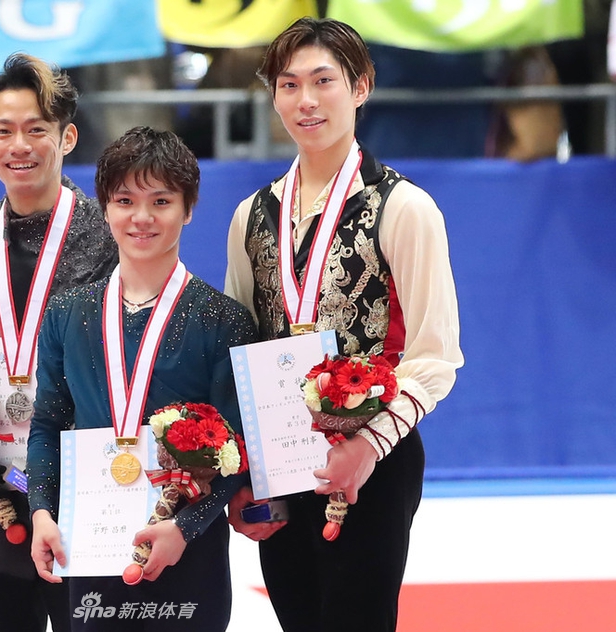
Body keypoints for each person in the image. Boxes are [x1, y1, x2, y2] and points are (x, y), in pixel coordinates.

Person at [224, 17, 464, 632]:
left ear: (361, 86)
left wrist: (368, 444)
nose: (305, 101)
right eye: (288, 84)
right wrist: (243, 468)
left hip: (372, 463)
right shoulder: (252, 216)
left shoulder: (404, 208)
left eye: (323, 81)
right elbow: (242, 348)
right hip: (280, 466)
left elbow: (436, 357)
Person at [27, 126, 257, 631]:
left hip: (188, 551)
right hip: (90, 542)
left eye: (162, 200)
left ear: (188, 208)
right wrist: (42, 512)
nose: (142, 217)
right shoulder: (67, 312)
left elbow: (238, 448)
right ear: (106, 206)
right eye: (126, 199)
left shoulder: (224, 321)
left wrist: (186, 527)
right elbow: (48, 424)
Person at [0, 53, 118, 632]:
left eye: (37, 129)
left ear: (68, 136)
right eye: (5, 131)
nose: (21, 145)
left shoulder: (113, 233)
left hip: (89, 493)